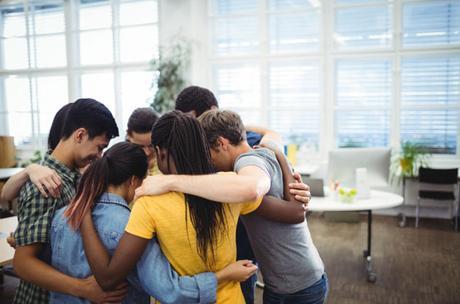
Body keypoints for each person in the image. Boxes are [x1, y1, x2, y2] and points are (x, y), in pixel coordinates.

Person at [76, 111, 290, 303]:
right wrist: (291, 178)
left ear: (160, 153)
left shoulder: (149, 203)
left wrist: (84, 212)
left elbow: (108, 277)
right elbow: (291, 213)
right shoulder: (229, 186)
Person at [51, 141, 253, 304]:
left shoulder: (63, 215)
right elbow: (171, 291)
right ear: (133, 181)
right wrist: (223, 275)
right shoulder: (130, 225)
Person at [198, 110, 327, 304]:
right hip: (287, 282)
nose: (210, 162)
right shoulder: (262, 153)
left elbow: (296, 212)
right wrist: (281, 156)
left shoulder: (244, 166)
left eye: (208, 153)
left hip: (299, 287)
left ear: (222, 144)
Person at [175, 85, 284, 303]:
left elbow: (263, 171)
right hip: (210, 243)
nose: (192, 129)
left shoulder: (247, 147)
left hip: (241, 240)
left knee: (242, 291)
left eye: (194, 120)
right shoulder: (203, 139)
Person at [12, 99, 122, 304]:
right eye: (99, 148)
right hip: (42, 298)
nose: (99, 156)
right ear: (80, 135)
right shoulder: (47, 185)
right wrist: (83, 288)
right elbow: (23, 262)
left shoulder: (73, 178)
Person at [125, 107, 160, 175]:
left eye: (151, 146)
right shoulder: (118, 163)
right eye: (139, 146)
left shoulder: (171, 163)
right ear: (128, 135)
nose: (147, 153)